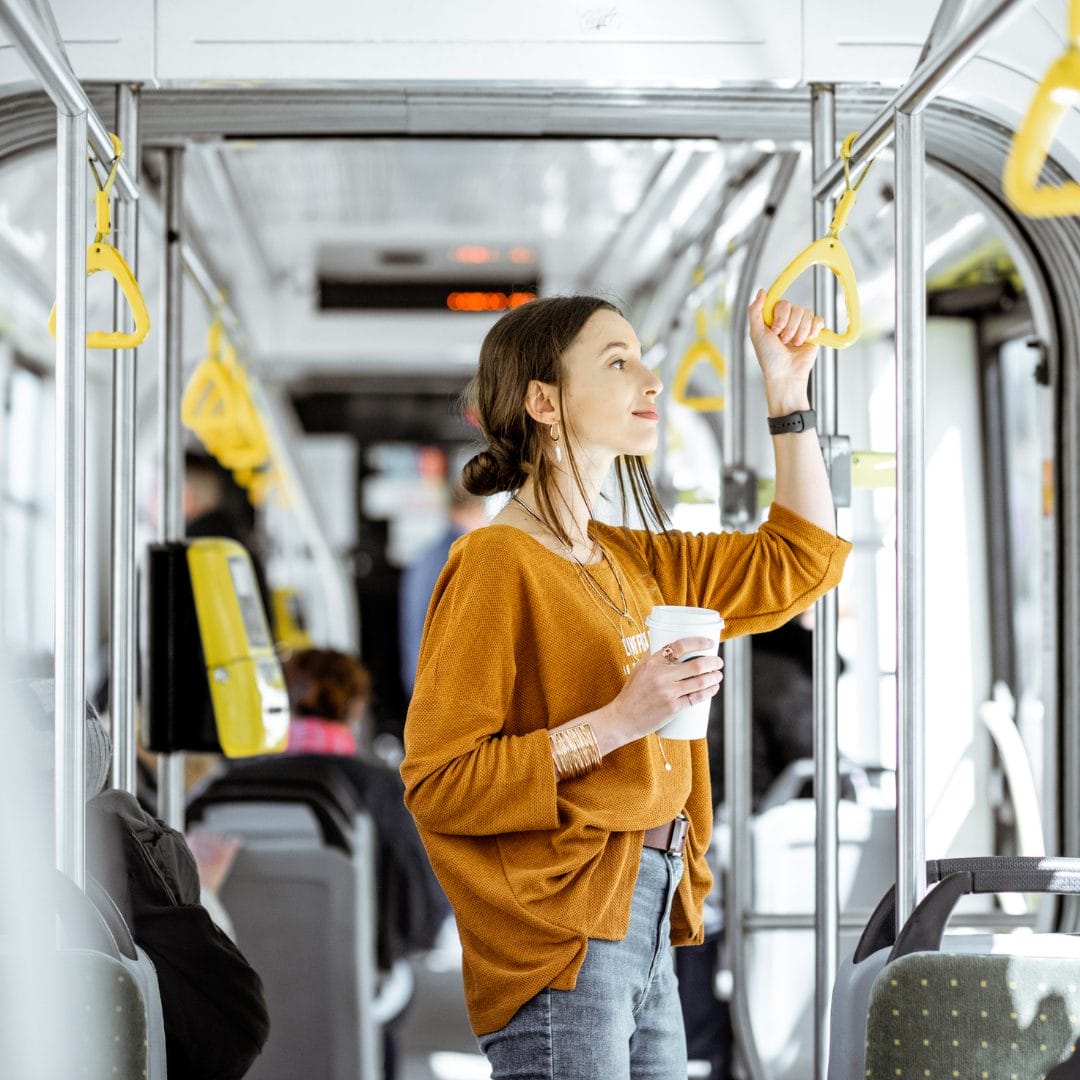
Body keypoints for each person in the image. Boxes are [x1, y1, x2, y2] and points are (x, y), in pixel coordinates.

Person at [399, 290, 852, 1079]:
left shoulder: (635, 558)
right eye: (618, 362)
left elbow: (801, 559)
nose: (651, 380)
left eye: (643, 358)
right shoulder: (495, 564)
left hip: (650, 904)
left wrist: (787, 395)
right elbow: (440, 783)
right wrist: (617, 720)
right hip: (565, 928)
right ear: (545, 401)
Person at [399, 485, 488, 694]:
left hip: (422, 681)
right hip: (444, 687)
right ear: (477, 510)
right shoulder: (462, 556)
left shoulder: (428, 556)